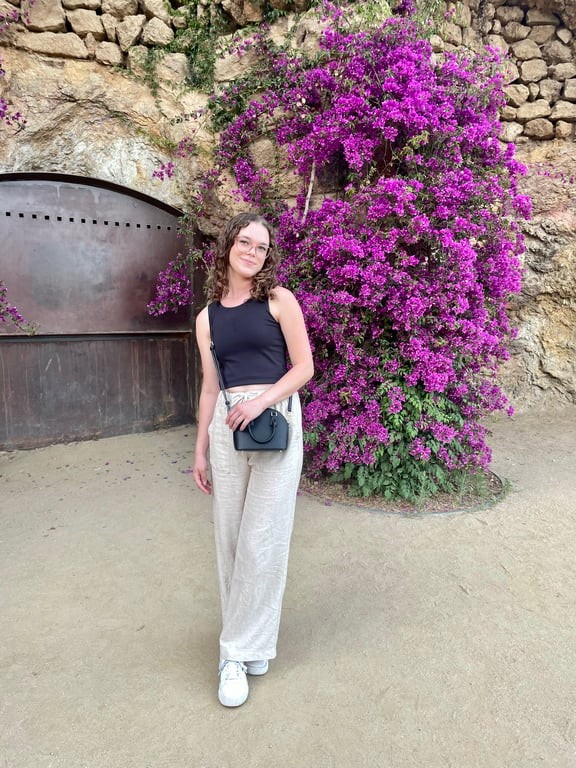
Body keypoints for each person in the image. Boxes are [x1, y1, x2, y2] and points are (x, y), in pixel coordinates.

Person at [192, 212, 314, 707]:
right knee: (230, 538)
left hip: (274, 421)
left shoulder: (280, 300)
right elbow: (210, 387)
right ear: (228, 245)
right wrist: (199, 448)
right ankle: (250, 645)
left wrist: (261, 401)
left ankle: (235, 654)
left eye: (261, 247)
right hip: (226, 428)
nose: (252, 252)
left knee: (263, 538)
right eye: (245, 242)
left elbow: (304, 367)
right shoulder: (207, 317)